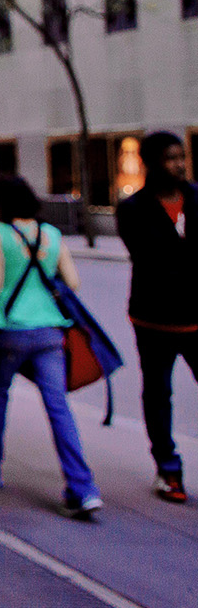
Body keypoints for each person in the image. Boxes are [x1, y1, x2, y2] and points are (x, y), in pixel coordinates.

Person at [0, 174, 104, 518]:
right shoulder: (52, 234)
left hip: (9, 330)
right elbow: (72, 282)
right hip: (50, 332)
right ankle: (82, 487)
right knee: (58, 408)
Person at [115, 131, 197, 503]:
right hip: (154, 320)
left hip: (197, 318)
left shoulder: (197, 198)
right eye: (170, 158)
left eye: (182, 157)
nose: (179, 164)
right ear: (151, 162)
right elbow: (149, 258)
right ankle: (168, 469)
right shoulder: (133, 209)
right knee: (158, 394)